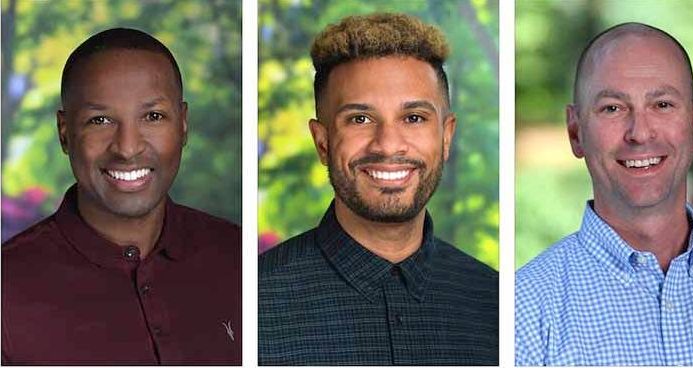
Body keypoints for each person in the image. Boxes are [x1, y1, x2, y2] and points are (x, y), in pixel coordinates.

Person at [257, 13, 498, 366]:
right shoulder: (254, 302)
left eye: (414, 118)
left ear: (446, 137)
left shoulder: (494, 303)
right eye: (360, 119)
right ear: (322, 142)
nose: (388, 145)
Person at [514, 22, 693, 366]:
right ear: (576, 132)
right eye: (613, 108)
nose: (640, 132)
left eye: (662, 105)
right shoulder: (523, 311)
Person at [1, 28, 241, 365]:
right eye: (99, 120)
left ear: (183, 124)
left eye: (153, 117)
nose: (127, 148)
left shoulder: (239, 259)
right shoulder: (6, 290)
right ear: (64, 132)